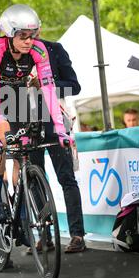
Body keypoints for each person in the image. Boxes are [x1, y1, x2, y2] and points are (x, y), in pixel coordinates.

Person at [0, 4, 71, 222]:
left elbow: (49, 89)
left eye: (32, 35)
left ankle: (20, 212)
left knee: (23, 149)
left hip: (16, 92)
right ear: (9, 34)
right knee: (1, 139)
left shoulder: (39, 51)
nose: (29, 41)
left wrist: (61, 131)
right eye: (23, 36)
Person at [28, 40, 86, 253]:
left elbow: (74, 85)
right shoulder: (12, 53)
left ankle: (77, 235)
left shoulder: (54, 49)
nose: (28, 37)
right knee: (34, 181)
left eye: (32, 31)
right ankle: (45, 235)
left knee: (67, 179)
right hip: (27, 123)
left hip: (55, 124)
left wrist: (45, 84)